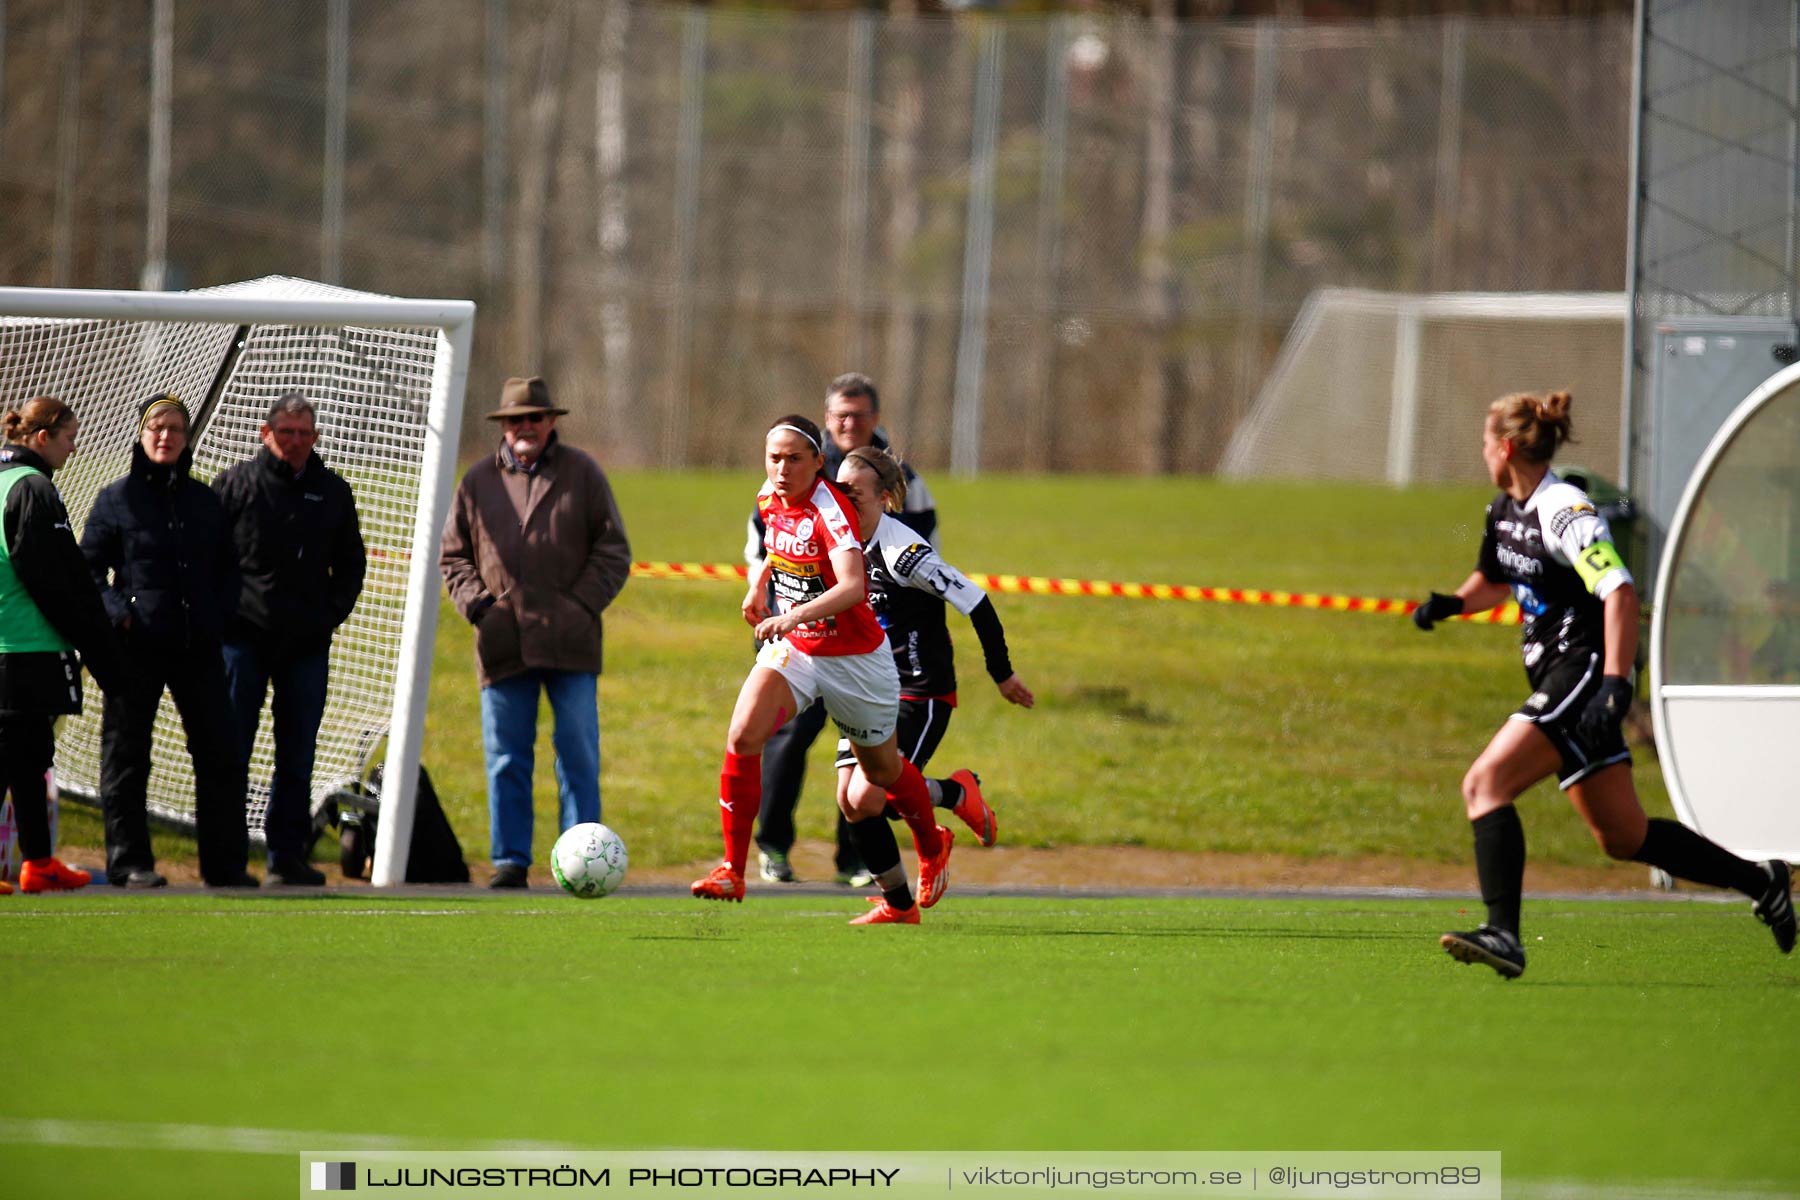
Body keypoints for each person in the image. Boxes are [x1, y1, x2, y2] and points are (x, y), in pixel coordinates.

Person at [1413, 389, 1795, 978]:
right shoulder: (1503, 510)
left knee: (1485, 784)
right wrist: (1451, 603)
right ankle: (1761, 880)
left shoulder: (1564, 509)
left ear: (1507, 446)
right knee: (1623, 835)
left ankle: (1504, 936)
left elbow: (1617, 591)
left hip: (1584, 671)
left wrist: (1616, 683)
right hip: (1561, 675)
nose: (1482, 452)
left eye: (1486, 442)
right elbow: (1497, 578)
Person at [693, 414, 951, 925]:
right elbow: (774, 547)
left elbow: (853, 586)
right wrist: (756, 586)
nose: (782, 468)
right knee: (744, 733)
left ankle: (930, 840)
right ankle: (732, 869)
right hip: (799, 650)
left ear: (818, 462)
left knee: (881, 774)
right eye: (774, 458)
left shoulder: (830, 509)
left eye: (794, 459)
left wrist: (790, 614)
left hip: (857, 660)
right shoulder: (769, 496)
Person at [746, 372, 939, 886]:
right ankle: (774, 848)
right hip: (796, 632)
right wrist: (764, 594)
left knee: (863, 759)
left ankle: (854, 858)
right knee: (783, 739)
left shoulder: (902, 476)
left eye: (858, 414)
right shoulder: (798, 460)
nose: (848, 423)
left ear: (875, 419)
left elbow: (923, 549)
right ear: (827, 420)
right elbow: (764, 540)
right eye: (839, 415)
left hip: (865, 642)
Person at [440, 376, 632, 889]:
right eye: (515, 420)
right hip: (503, 642)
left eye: (534, 417)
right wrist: (482, 609)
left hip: (572, 641)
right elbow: (454, 556)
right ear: (503, 426)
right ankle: (509, 861)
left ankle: (584, 860)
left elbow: (613, 551)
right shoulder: (477, 480)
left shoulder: (583, 473)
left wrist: (579, 606)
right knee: (506, 756)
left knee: (577, 751)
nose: (525, 427)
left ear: (551, 422)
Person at [81, 394, 255, 889]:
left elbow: (231, 569)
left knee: (221, 754)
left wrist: (218, 617)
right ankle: (129, 862)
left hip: (198, 648)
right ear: (141, 434)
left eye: (175, 428)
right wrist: (121, 615)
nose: (166, 436)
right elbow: (88, 568)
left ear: (187, 438)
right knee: (127, 755)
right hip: (135, 650)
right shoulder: (116, 499)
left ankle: (225, 867)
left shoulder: (206, 502)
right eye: (157, 427)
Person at [830, 444, 1033, 843]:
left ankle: (955, 794)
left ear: (883, 498)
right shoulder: (844, 543)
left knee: (873, 799)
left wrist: (1002, 673)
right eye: (840, 492)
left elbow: (976, 602)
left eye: (854, 494)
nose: (843, 501)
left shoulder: (904, 553)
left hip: (918, 689)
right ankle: (895, 902)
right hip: (870, 687)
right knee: (849, 801)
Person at [214, 392, 366, 887]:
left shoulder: (333, 492)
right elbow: (205, 556)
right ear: (266, 433)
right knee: (232, 748)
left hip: (305, 644)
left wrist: (328, 615)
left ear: (316, 437)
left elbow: (350, 565)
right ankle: (227, 857)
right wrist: (223, 616)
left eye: (305, 434)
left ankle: (287, 856)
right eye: (287, 433)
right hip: (242, 641)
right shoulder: (234, 485)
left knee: (298, 753)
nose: (296, 442)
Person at [0, 397, 124, 894]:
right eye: (70, 436)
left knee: (29, 756)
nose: (75, 447)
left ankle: (38, 862)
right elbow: (56, 582)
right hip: (24, 647)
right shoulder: (32, 489)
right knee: (13, 753)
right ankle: (38, 861)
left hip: (11, 645)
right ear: (42, 436)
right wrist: (102, 652)